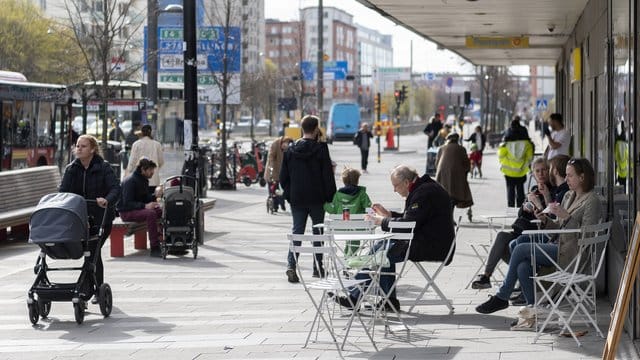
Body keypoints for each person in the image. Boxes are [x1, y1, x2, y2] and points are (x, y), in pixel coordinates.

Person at [476, 158, 602, 314]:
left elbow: (586, 235)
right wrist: (545, 220)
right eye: (566, 175)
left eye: (570, 175)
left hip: (573, 254)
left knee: (521, 248)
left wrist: (568, 217)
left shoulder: (592, 200)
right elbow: (558, 227)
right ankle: (535, 311)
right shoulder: (569, 195)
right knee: (523, 266)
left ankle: (503, 296)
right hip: (559, 246)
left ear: (582, 177)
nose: (566, 178)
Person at [333, 165, 455, 311]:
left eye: (395, 186)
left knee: (382, 253)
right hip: (429, 240)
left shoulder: (423, 193)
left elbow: (409, 223)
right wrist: (389, 215)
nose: (394, 190)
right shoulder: (423, 188)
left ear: (406, 182)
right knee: (382, 248)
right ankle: (387, 301)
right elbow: (412, 218)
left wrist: (381, 221)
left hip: (431, 245)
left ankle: (357, 296)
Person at [469, 157, 567, 291]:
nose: (541, 173)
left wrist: (542, 199)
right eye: (537, 171)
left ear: (549, 171)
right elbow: (521, 215)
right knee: (502, 237)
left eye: (544, 170)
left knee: (512, 244)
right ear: (533, 173)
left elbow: (551, 217)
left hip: (536, 235)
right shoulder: (534, 189)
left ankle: (520, 282)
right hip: (522, 231)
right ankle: (486, 276)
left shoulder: (554, 190)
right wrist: (525, 207)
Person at [59, 135, 121, 292]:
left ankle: (91, 289)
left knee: (93, 251)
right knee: (90, 253)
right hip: (79, 219)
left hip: (101, 219)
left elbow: (116, 189)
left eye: (83, 146)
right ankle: (90, 288)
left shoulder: (103, 167)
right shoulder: (71, 169)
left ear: (93, 149)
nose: (78, 149)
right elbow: (63, 192)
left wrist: (107, 200)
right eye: (77, 146)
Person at [280, 115, 337, 283]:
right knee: (317, 231)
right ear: (316, 129)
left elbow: (283, 177)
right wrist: (330, 196)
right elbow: (327, 175)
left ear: (302, 129)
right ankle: (318, 268)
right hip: (317, 198)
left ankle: (291, 265)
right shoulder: (321, 149)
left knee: (297, 230)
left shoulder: (290, 149)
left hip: (297, 198)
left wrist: (290, 195)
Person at [117, 158, 163, 257]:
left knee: (161, 211)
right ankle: (154, 247)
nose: (152, 172)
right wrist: (145, 206)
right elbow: (127, 203)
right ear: (143, 169)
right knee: (151, 214)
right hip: (126, 212)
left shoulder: (143, 180)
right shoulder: (130, 181)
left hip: (137, 209)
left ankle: (164, 240)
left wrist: (155, 196)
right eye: (150, 170)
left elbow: (144, 198)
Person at [324, 167, 372, 256]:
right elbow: (369, 208)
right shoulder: (362, 194)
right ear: (357, 180)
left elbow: (332, 210)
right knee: (354, 236)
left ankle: (348, 257)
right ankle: (351, 257)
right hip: (358, 227)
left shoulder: (338, 195)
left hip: (340, 228)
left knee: (349, 235)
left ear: (344, 181)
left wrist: (323, 204)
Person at [436, 133, 473, 217]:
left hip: (442, 175)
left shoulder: (441, 148)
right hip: (456, 176)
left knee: (445, 196)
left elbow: (437, 163)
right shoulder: (461, 149)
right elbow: (466, 163)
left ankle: (446, 216)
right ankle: (449, 217)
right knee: (453, 196)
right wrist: (465, 172)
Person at [499, 118, 534, 207]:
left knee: (510, 190)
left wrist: (505, 164)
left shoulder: (506, 143)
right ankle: (520, 207)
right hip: (521, 171)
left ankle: (510, 207)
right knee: (520, 190)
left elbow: (501, 155)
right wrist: (524, 166)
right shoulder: (527, 143)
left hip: (508, 171)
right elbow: (529, 157)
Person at [125, 124, 164, 193]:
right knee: (152, 200)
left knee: (140, 201)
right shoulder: (157, 145)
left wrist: (130, 173)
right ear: (151, 132)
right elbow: (161, 162)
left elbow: (131, 163)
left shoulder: (136, 144)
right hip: (153, 180)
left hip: (138, 181)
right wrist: (153, 169)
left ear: (142, 133)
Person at [265, 136, 293, 212]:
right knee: (273, 189)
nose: (285, 147)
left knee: (281, 190)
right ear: (282, 142)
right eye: (284, 145)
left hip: (282, 171)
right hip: (273, 170)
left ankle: (281, 203)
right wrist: (271, 167)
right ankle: (275, 206)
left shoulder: (289, 147)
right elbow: (271, 157)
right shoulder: (275, 144)